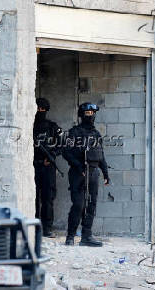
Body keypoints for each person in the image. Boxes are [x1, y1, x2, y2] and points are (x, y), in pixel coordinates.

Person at [62, 102, 110, 247]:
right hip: (79, 173)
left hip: (94, 173)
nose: (90, 116)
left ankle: (86, 236)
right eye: (87, 114)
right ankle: (70, 236)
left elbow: (100, 155)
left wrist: (106, 173)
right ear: (82, 115)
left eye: (92, 113)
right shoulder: (74, 132)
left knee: (91, 205)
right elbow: (66, 153)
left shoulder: (96, 134)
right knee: (78, 205)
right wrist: (78, 167)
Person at [33, 97, 63, 238]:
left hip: (48, 167)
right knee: (32, 198)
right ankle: (32, 227)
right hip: (31, 166)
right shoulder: (28, 126)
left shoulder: (52, 127)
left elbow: (63, 144)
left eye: (43, 109)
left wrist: (52, 155)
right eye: (38, 109)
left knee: (47, 198)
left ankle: (47, 228)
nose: (40, 111)